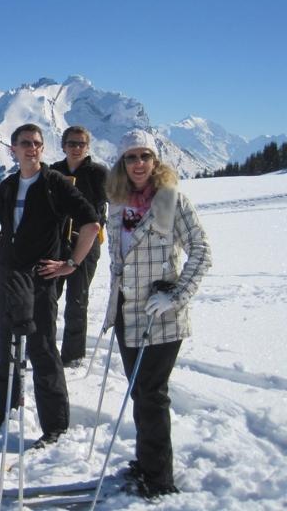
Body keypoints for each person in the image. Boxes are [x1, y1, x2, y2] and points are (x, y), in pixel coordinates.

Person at [102, 129, 211, 498]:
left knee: (151, 393)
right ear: (122, 162)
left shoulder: (170, 201)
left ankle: (160, 480)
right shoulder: (116, 203)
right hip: (126, 314)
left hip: (160, 315)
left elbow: (201, 250)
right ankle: (147, 463)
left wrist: (177, 295)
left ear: (156, 161)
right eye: (131, 157)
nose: (138, 164)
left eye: (145, 157)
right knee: (139, 392)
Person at [0, 124, 100, 447]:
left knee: (42, 348)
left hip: (40, 279)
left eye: (36, 143)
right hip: (8, 277)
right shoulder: (8, 186)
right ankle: (5, 410)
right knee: (6, 344)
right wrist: (0, 252)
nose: (31, 148)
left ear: (42, 149)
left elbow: (91, 223)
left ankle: (55, 426)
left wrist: (70, 264)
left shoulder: (55, 184)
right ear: (13, 149)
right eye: (25, 143)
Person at [51, 126, 108, 366]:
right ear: (63, 146)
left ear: (87, 147)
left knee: (77, 298)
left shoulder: (98, 173)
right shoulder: (54, 171)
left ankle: (72, 356)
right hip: (56, 244)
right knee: (48, 296)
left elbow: (107, 208)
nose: (75, 148)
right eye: (71, 143)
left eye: (80, 144)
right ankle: (43, 348)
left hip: (86, 243)